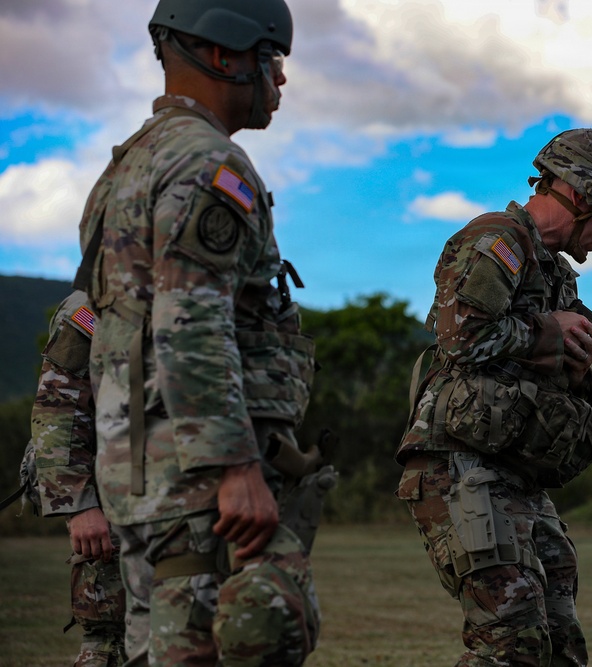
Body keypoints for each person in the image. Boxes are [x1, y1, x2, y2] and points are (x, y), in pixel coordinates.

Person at [74, 1, 322, 665]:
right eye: (273, 58)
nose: (280, 78)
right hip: (198, 487)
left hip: (140, 472)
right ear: (223, 55)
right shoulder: (209, 163)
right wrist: (234, 466)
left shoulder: (127, 165)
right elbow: (191, 322)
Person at [395, 128, 592, 666]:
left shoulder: (555, 272)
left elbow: (532, 364)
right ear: (580, 194)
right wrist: (548, 333)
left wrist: (574, 364)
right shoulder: (497, 240)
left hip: (514, 470)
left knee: (559, 643)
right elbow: (462, 337)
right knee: (511, 641)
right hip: (457, 464)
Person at [17, 290, 126, 667]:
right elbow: (59, 406)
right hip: (112, 499)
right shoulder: (94, 303)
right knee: (109, 638)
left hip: (180, 497)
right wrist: (79, 505)